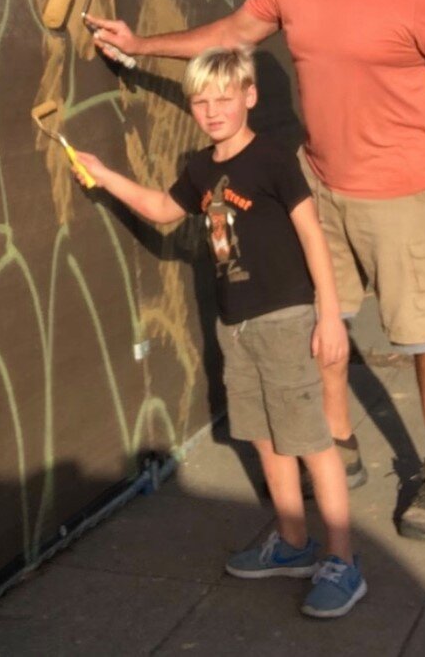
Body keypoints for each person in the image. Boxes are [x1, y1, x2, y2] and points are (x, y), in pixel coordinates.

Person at [88, 0, 425, 541]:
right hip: (323, 187)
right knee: (320, 330)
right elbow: (230, 35)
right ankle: (338, 446)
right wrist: (141, 46)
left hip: (406, 191)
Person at [74, 46, 367, 617]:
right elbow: (162, 208)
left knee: (309, 441)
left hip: (286, 320)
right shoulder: (201, 169)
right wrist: (105, 177)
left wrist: (329, 316)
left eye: (224, 99)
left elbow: (313, 237)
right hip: (234, 325)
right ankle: (291, 544)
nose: (212, 111)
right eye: (201, 101)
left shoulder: (274, 160)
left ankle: (343, 561)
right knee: (262, 436)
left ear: (249, 97)